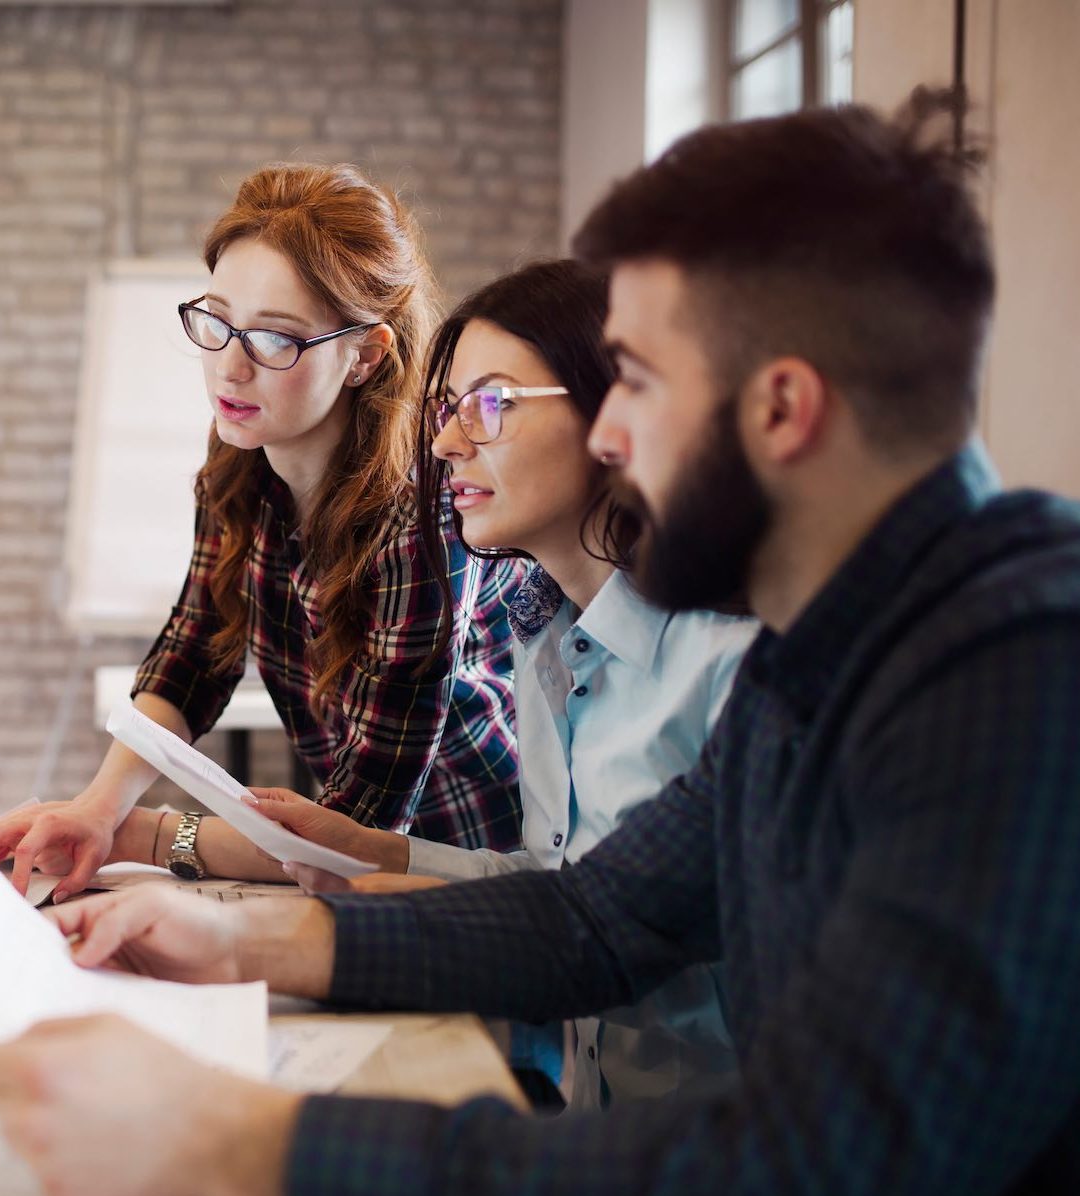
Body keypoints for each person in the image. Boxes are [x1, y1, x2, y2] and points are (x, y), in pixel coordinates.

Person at [0, 91, 1080, 1196]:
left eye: (639, 384)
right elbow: (595, 916)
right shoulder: (820, 653)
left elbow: (808, 1185)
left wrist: (238, 1139)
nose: (610, 441)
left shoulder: (1029, 667)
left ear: (781, 408)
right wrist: (231, 939)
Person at [0, 163, 527, 897]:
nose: (228, 368)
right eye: (216, 322)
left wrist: (147, 834)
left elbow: (355, 828)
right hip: (353, 866)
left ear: (366, 355)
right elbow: (194, 653)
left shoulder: (422, 516)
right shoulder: (241, 458)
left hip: (468, 866)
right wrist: (97, 807)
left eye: (274, 340)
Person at [273, 259, 756, 1111]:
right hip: (599, 1137)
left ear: (616, 413)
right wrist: (378, 853)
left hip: (722, 1173)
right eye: (447, 410)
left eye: (490, 404)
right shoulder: (550, 645)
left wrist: (290, 938)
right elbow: (553, 883)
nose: (448, 443)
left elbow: (596, 928)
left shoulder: (730, 666)